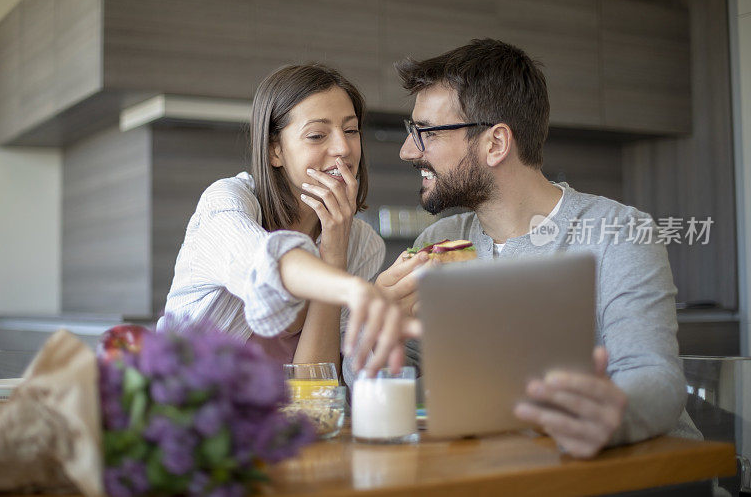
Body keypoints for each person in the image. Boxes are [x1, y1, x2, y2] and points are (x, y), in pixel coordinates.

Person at [344, 38, 698, 458]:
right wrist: (373, 334)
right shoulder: (438, 244)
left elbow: (655, 377)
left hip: (635, 475)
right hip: (508, 470)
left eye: (427, 133)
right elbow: (402, 389)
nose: (408, 150)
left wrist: (613, 413)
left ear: (495, 144)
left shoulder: (617, 231)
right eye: (411, 131)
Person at [158, 64, 418, 388]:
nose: (343, 148)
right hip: (186, 417)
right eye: (317, 135)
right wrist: (352, 289)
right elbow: (266, 262)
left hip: (280, 432)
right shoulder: (227, 203)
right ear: (274, 150)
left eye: (351, 130)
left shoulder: (362, 243)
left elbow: (313, 392)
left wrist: (335, 249)